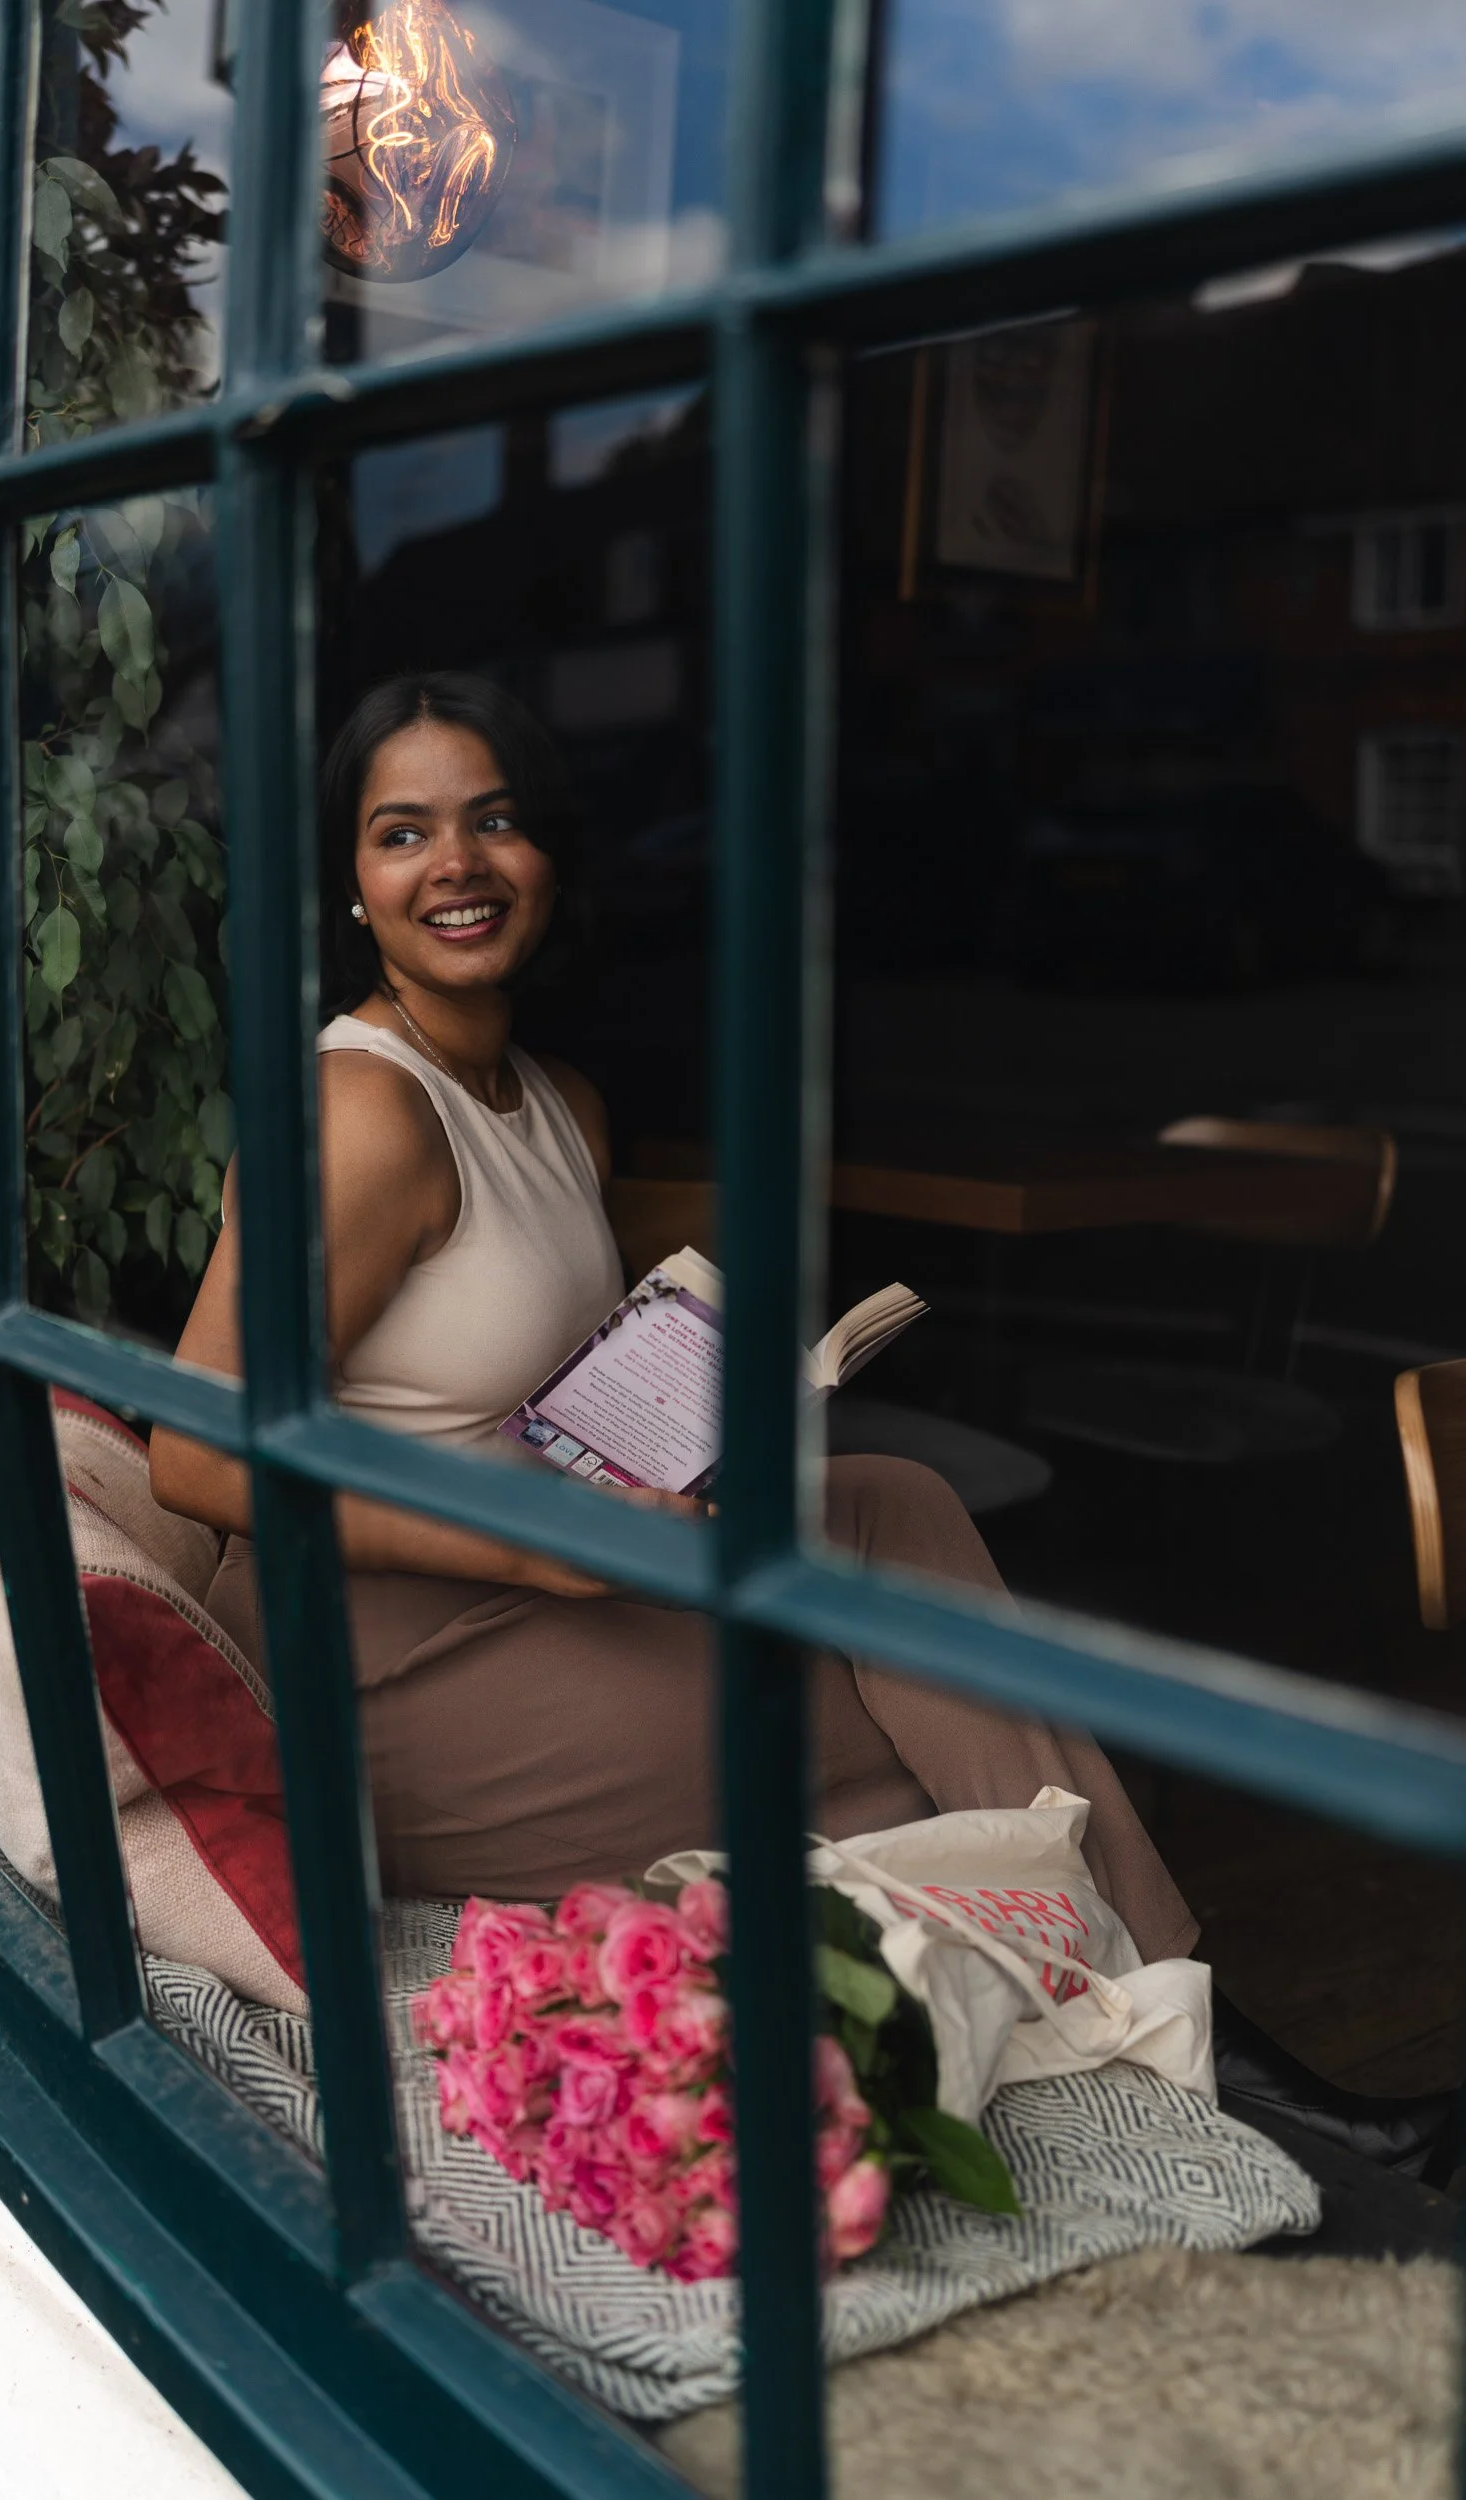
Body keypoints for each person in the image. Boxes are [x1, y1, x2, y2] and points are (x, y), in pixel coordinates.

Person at [150, 671, 1451, 2178]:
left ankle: (1190, 2036)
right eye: (402, 833)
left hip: (530, 1596)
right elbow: (199, 1458)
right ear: (354, 889)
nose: (457, 864)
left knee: (889, 1501)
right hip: (386, 1670)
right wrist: (545, 1550)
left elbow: (531, 1405)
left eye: (494, 820)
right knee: (907, 1733)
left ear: (549, 857)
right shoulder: (359, 1113)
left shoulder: (556, 1102)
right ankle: (1200, 2066)